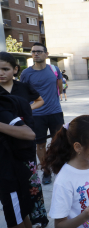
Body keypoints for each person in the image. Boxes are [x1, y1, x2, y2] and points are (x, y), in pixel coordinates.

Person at [0, 95, 45, 228]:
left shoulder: (3, 111)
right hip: (8, 175)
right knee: (22, 216)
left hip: (9, 178)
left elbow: (28, 133)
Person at [20, 42, 64, 185]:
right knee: (40, 145)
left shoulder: (54, 69)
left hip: (55, 112)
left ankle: (59, 167)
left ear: (46, 54)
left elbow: (60, 87)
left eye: (39, 51)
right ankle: (46, 171)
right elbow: (23, 94)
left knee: (59, 142)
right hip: (36, 115)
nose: (36, 54)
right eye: (33, 52)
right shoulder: (26, 73)